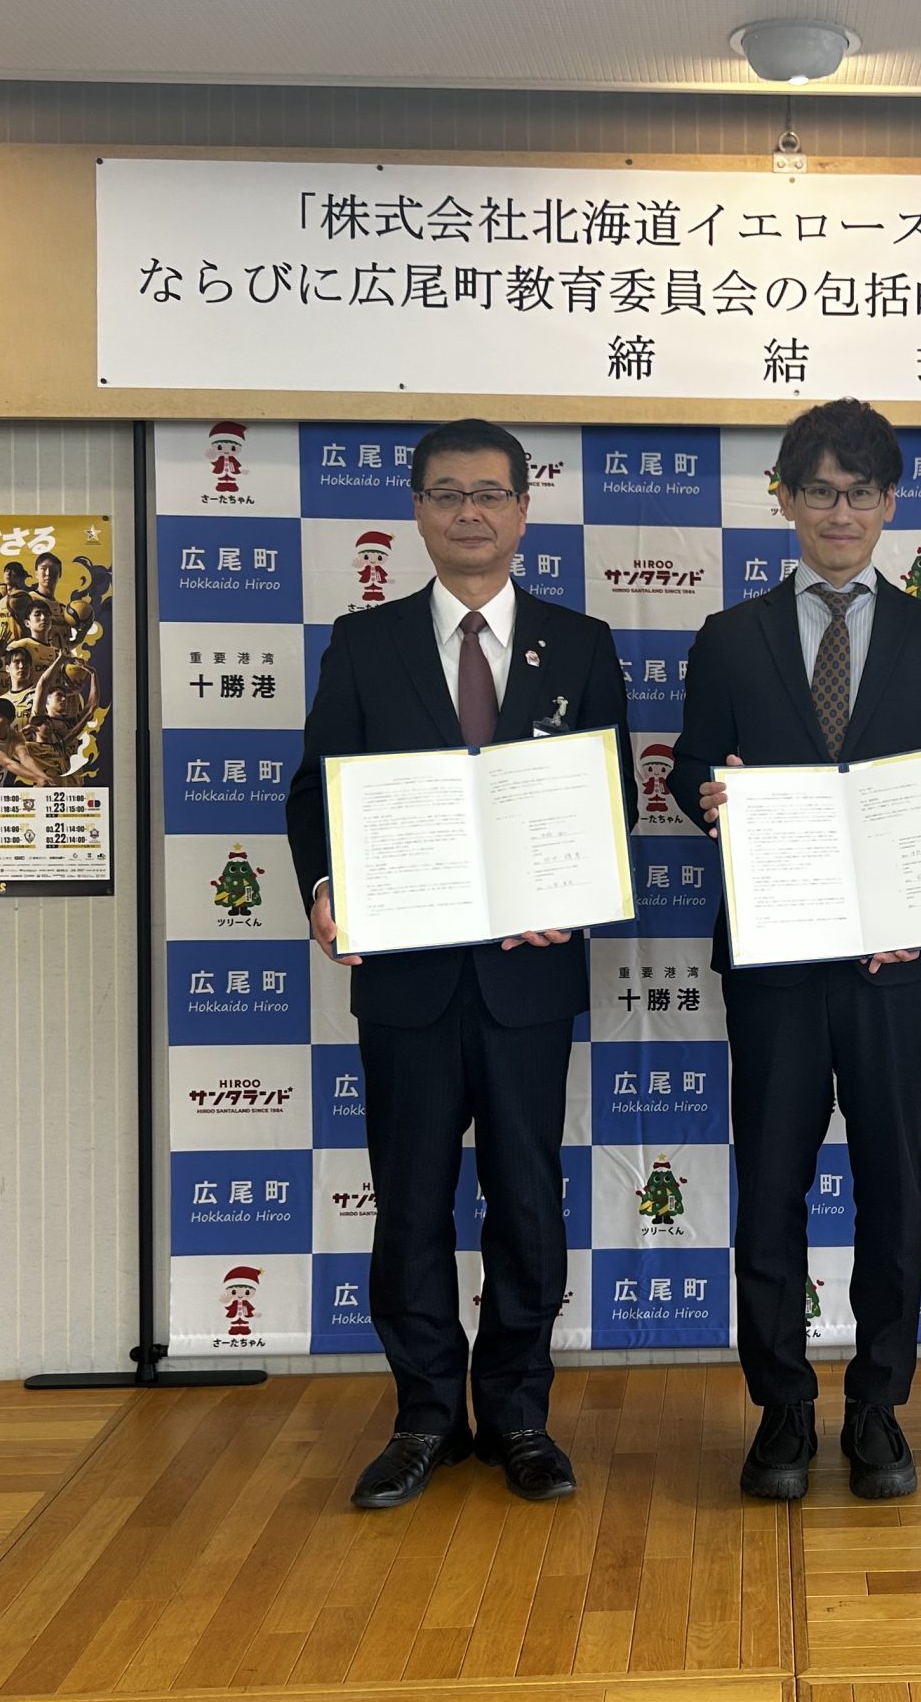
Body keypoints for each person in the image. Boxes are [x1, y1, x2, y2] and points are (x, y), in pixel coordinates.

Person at [285, 419, 633, 1513]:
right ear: (418, 512)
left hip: (528, 979)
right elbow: (317, 791)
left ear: (523, 511)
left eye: (489, 493)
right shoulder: (364, 644)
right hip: (408, 976)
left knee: (527, 1200)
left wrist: (572, 892)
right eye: (447, 494)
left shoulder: (580, 645)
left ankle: (520, 1414)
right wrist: (325, 883)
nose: (469, 513)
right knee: (411, 1204)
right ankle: (425, 1416)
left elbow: (609, 800)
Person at [671, 398, 921, 1503]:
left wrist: (915, 909)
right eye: (818, 490)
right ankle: (780, 1409)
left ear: (890, 503)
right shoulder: (729, 636)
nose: (839, 512)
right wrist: (710, 796)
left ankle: (877, 1407)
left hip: (898, 968)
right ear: (786, 500)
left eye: (860, 492)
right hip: (776, 962)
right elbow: (690, 771)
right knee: (771, 1186)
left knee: (892, 1189)